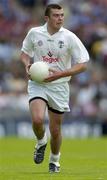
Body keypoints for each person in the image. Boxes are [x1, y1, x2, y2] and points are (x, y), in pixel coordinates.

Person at [20, 4, 89, 173]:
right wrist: (26, 65)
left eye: (62, 15)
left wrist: (60, 74)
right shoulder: (34, 33)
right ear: (47, 18)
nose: (60, 18)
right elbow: (24, 53)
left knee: (55, 129)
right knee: (37, 120)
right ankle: (41, 141)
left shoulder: (69, 37)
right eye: (56, 15)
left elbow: (83, 65)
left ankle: (54, 160)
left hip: (59, 86)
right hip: (38, 83)